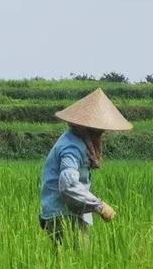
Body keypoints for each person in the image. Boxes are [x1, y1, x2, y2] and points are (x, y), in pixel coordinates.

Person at [40, 88, 133, 244]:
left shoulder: (74, 140)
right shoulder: (72, 148)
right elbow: (68, 185)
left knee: (70, 264)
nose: (102, 133)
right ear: (90, 128)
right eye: (99, 130)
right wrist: (99, 206)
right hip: (64, 216)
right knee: (78, 262)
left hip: (67, 214)